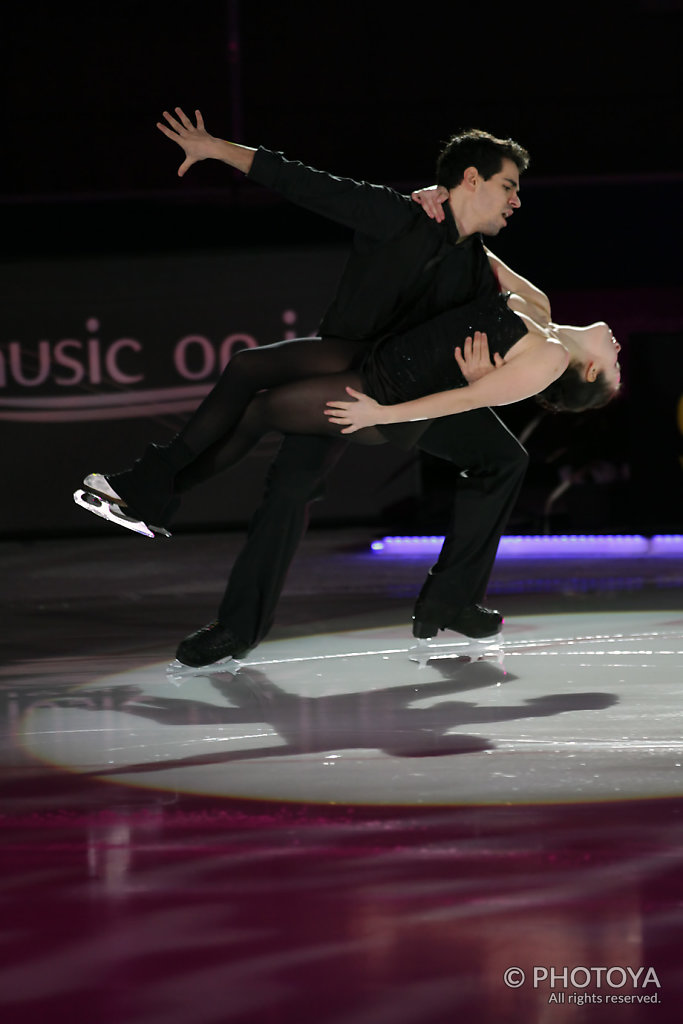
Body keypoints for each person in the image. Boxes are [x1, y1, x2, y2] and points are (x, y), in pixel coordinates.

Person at [79, 108, 536, 666]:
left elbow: (533, 313)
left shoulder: (474, 269)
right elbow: (304, 182)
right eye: (508, 185)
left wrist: (482, 372)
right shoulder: (394, 215)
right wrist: (217, 148)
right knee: (289, 486)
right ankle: (235, 625)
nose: (516, 200)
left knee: (503, 459)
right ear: (471, 179)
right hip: (336, 378)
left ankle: (453, 599)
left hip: (405, 395)